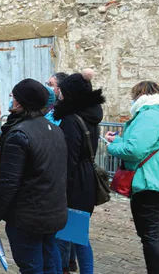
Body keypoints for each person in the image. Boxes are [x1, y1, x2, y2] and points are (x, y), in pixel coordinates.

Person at [105, 81, 159, 274]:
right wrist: (119, 139)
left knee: (151, 235)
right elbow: (149, 144)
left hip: (149, 181)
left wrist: (112, 146)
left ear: (140, 95)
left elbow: (133, 150)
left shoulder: (149, 114)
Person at [0, 79, 67, 274]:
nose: (11, 100)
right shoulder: (55, 130)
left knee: (32, 267)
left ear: (21, 102)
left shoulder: (19, 134)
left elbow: (9, 182)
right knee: (48, 263)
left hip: (28, 217)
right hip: (52, 212)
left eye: (14, 97)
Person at [52, 73, 105, 274]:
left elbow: (69, 158)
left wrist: (61, 187)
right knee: (78, 234)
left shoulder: (71, 119)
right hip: (86, 178)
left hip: (75, 183)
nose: (59, 95)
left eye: (62, 91)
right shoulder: (90, 114)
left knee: (66, 235)